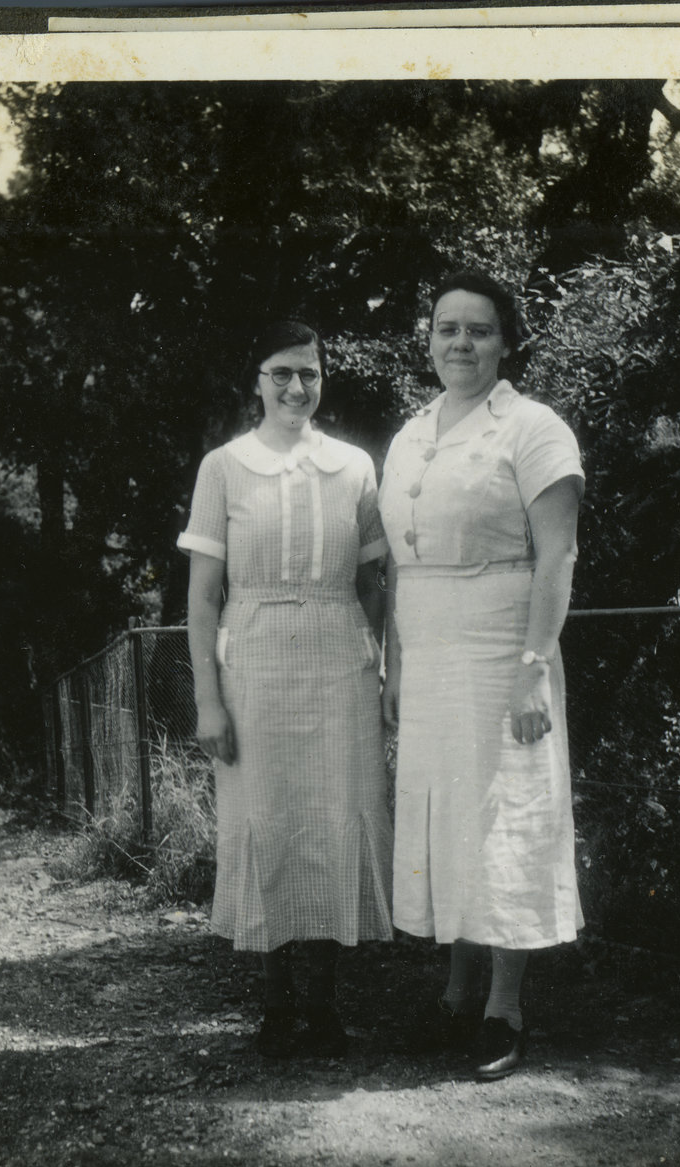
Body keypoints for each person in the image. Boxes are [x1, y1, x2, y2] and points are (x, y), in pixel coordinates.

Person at [379, 269, 584, 1081]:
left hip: (503, 647)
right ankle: (455, 995)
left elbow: (558, 554)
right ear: (428, 340)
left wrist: (533, 667)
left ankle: (504, 1007)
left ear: (506, 342)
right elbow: (399, 565)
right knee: (447, 821)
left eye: (479, 329)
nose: (460, 343)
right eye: (447, 328)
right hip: (428, 652)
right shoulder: (410, 434)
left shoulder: (533, 428)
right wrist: (396, 663)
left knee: (503, 821)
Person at [178, 319, 393, 1059]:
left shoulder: (354, 466)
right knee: (266, 815)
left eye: (309, 373)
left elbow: (373, 582)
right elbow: (203, 596)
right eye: (282, 373)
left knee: (335, 814)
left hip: (340, 662)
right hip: (256, 662)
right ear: (258, 381)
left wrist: (375, 659)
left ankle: (324, 1005)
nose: (296, 387)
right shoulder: (224, 467)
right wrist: (208, 699)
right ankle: (275, 1006)